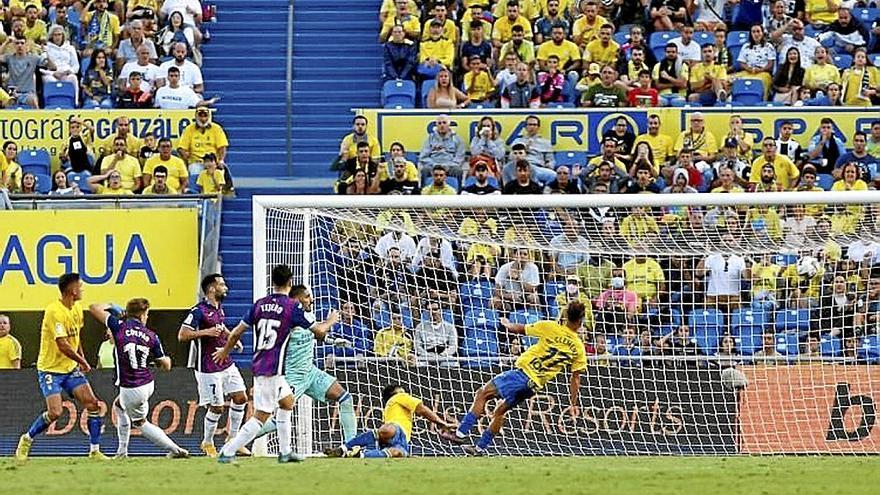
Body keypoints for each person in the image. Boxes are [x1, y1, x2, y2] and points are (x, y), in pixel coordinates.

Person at [213, 265, 339, 463]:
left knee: (287, 402)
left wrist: (225, 351)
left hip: (263, 364)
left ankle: (285, 451)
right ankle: (228, 450)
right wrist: (331, 321)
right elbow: (320, 332)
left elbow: (236, 332)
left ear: (273, 281)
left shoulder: (259, 304)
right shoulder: (292, 307)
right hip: (272, 369)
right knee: (260, 416)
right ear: (290, 282)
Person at [447, 300, 587, 455]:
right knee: (500, 411)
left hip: (522, 374)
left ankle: (460, 434)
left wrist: (507, 324)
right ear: (581, 321)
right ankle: (480, 448)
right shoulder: (579, 347)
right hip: (533, 385)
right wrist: (573, 403)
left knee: (482, 393)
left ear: (566, 315)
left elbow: (521, 329)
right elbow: (575, 378)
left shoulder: (550, 327)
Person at [16, 273, 108, 461]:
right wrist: (83, 362)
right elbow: (63, 345)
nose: (82, 289)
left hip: (69, 368)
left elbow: (75, 337)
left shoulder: (77, 309)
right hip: (50, 369)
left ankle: (94, 451)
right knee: (55, 412)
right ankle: (27, 438)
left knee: (93, 404)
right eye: (80, 286)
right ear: (73, 290)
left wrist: (81, 357)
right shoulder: (54, 311)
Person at [252, 285, 358, 443]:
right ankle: (238, 440)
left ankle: (352, 445)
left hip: (310, 372)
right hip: (293, 376)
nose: (312, 300)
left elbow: (316, 335)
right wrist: (331, 321)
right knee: (277, 420)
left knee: (345, 398)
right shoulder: (288, 317)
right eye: (307, 296)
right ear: (296, 299)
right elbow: (320, 329)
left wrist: (334, 341)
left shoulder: (306, 315)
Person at [87, 299, 188, 459]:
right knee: (119, 406)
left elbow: (93, 307)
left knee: (140, 422)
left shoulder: (119, 326)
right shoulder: (151, 336)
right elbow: (166, 366)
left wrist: (112, 306)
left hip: (131, 387)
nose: (147, 317)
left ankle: (176, 450)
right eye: (146, 314)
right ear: (142, 315)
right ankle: (122, 452)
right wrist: (158, 358)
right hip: (147, 383)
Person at [177, 274, 249, 458]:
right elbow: (182, 335)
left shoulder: (218, 309)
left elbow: (220, 325)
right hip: (208, 367)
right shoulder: (198, 311)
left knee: (241, 397)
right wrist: (206, 332)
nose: (226, 287)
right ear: (211, 289)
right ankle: (207, 442)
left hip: (225, 363)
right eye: (222, 285)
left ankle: (233, 441)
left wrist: (231, 337)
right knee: (217, 408)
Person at [325, 383, 455, 458]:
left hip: (402, 442)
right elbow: (422, 409)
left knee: (397, 452)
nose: (405, 393)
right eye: (402, 391)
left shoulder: (390, 408)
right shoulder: (399, 397)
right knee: (390, 429)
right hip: (398, 432)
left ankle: (358, 454)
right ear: (396, 393)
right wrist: (442, 423)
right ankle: (344, 448)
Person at [0, 35, 57, 108]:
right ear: (14, 46)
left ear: (26, 45)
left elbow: (53, 67)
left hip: (28, 93)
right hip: (12, 93)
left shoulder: (34, 58)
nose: (19, 45)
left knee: (33, 100)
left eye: (22, 43)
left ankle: (38, 118)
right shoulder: (9, 57)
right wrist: (6, 42)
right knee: (6, 102)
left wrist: (46, 53)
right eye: (17, 43)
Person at [178, 108, 230, 178]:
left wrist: (221, 160)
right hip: (196, 161)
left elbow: (222, 146)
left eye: (205, 116)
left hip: (212, 161)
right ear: (196, 116)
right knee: (195, 172)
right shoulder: (189, 129)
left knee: (219, 174)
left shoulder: (216, 128)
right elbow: (182, 148)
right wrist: (186, 158)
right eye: (200, 116)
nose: (203, 119)